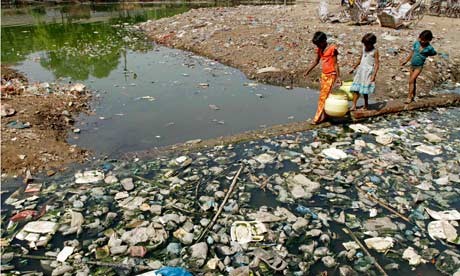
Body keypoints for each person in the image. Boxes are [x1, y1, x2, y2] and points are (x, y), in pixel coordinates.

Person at [304, 31, 341, 125]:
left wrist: (339, 77)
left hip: (331, 74)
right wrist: (308, 71)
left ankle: (317, 119)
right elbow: (316, 61)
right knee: (325, 96)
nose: (318, 46)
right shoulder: (320, 49)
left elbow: (336, 64)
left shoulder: (332, 49)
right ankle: (326, 115)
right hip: (324, 75)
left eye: (319, 44)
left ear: (324, 40)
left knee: (323, 97)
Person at [400, 30, 437, 104]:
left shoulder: (429, 48)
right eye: (421, 39)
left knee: (411, 80)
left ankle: (409, 97)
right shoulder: (416, 44)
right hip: (412, 65)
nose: (422, 41)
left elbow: (434, 53)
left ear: (429, 40)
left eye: (424, 40)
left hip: (419, 66)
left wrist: (425, 55)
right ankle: (413, 95)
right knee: (413, 81)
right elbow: (412, 52)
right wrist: (406, 61)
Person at [349, 33, 380, 110]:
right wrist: (354, 67)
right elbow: (360, 59)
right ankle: (354, 105)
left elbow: (376, 64)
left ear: (372, 43)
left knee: (364, 90)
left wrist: (374, 75)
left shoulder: (375, 51)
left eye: (367, 44)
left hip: (367, 72)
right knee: (356, 89)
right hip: (360, 71)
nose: (366, 46)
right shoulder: (363, 49)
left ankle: (366, 104)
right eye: (365, 44)